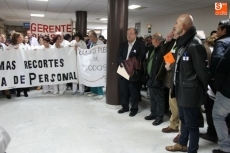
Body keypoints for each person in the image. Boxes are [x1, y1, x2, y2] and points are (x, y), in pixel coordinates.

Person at [165, 14, 209, 153]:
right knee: (184, 120)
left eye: (177, 23)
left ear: (183, 26)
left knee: (192, 124)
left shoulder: (194, 45)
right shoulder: (183, 43)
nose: (175, 25)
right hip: (181, 90)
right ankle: (182, 144)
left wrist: (201, 92)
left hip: (190, 93)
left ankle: (192, 149)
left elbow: (202, 73)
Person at [202, 19, 230, 143]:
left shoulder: (221, 43)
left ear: (224, 30)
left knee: (214, 111)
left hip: (222, 86)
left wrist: (212, 79)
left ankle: (213, 134)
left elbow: (218, 61)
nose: (217, 33)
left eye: (218, 29)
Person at [117, 28, 145, 117]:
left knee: (134, 91)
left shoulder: (140, 45)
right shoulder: (124, 45)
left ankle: (134, 109)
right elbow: (119, 55)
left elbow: (141, 57)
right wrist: (122, 62)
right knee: (123, 90)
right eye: (127, 33)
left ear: (135, 35)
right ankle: (125, 107)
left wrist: (129, 63)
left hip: (133, 72)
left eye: (131, 34)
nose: (128, 35)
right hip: (123, 70)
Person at [212, 46, 230, 153]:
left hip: (227, 92)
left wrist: (218, 88)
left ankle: (225, 148)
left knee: (218, 116)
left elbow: (221, 69)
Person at [145, 32, 165, 125]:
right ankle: (153, 113)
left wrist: (160, 76)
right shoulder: (152, 49)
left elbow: (169, 63)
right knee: (152, 98)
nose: (151, 40)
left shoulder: (163, 49)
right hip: (151, 77)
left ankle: (159, 117)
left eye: (152, 38)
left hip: (158, 79)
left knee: (159, 99)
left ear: (156, 40)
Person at [8, 32, 29, 97]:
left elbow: (27, 52)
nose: (22, 38)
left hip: (23, 64)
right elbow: (7, 52)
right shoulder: (11, 45)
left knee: (24, 78)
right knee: (17, 78)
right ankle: (18, 91)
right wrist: (13, 50)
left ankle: (25, 91)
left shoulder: (22, 45)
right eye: (20, 37)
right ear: (17, 38)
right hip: (15, 65)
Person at [87, 30, 105, 99]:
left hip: (99, 64)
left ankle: (100, 93)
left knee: (98, 78)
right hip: (92, 64)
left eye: (90, 36)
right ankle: (94, 92)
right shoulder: (91, 43)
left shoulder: (100, 43)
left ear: (94, 36)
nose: (89, 38)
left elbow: (103, 54)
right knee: (92, 78)